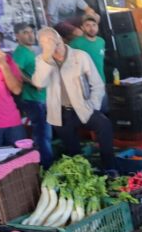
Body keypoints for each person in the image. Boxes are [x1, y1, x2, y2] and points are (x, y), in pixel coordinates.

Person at [32, 27, 114, 169]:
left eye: (52, 39)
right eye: (45, 42)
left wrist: (93, 105)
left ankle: (110, 167)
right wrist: (46, 57)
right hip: (61, 112)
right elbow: (39, 83)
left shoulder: (80, 56)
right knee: (72, 150)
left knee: (104, 125)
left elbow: (97, 84)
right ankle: (83, 175)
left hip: (84, 107)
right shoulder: (42, 60)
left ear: (59, 38)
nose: (51, 44)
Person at [12, 23, 53, 168]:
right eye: (25, 32)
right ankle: (45, 166)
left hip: (41, 98)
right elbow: (16, 70)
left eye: (31, 32)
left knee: (45, 133)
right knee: (42, 135)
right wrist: (33, 82)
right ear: (17, 36)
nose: (30, 35)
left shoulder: (31, 51)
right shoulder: (20, 52)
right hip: (33, 99)